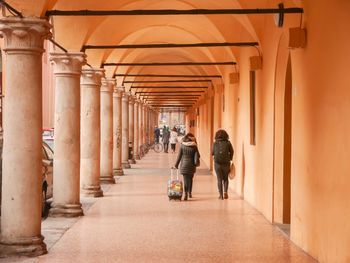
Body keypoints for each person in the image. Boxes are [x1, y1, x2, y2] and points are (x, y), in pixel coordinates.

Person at [174, 133, 200, 201]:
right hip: (192, 166)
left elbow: (179, 156)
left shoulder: (182, 146)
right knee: (190, 179)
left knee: (185, 180)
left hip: (184, 165)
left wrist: (176, 165)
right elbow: (198, 155)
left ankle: (185, 194)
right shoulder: (194, 146)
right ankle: (190, 193)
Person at [212, 129, 234, 200]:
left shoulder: (215, 143)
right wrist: (230, 158)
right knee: (225, 179)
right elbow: (232, 151)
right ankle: (225, 192)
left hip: (217, 164)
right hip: (226, 163)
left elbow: (212, 153)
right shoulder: (228, 143)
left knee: (219, 179)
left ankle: (220, 195)